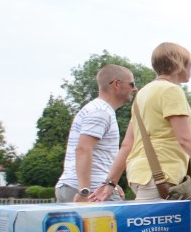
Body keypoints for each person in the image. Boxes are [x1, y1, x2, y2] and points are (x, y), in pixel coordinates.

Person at [92, 42, 191, 202]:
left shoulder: (142, 94)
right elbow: (185, 139)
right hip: (161, 175)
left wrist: (111, 182)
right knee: (164, 225)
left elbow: (128, 144)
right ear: (178, 64)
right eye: (190, 64)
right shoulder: (171, 91)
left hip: (141, 175)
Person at [54, 64, 135, 202]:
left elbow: (95, 154)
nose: (135, 89)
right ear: (116, 84)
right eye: (131, 84)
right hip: (91, 191)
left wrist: (112, 184)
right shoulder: (101, 112)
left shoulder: (98, 109)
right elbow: (83, 149)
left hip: (78, 186)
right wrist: (84, 190)